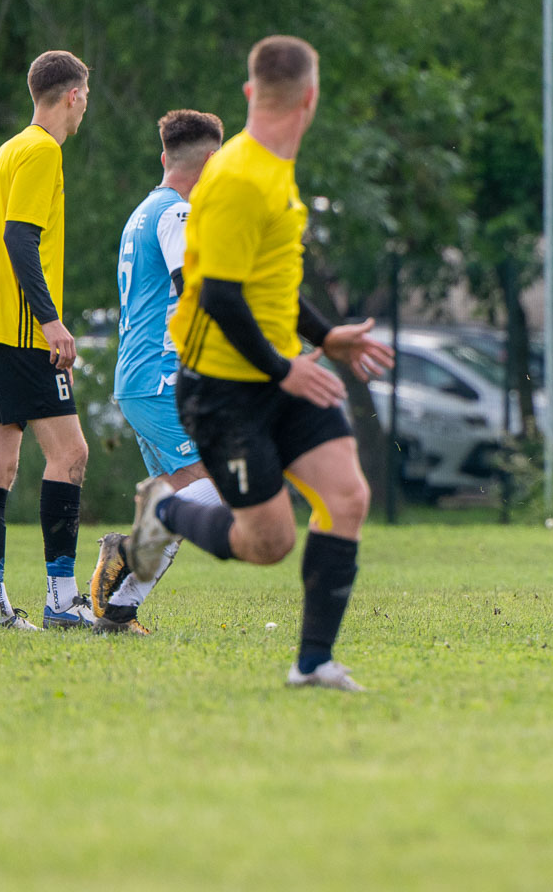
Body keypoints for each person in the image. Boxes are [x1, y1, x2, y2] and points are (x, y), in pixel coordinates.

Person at [124, 35, 393, 690]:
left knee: (347, 497)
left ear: (250, 93)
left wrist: (325, 336)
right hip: (223, 388)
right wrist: (284, 368)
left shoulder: (272, 167)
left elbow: (268, 283)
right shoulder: (239, 176)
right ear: (311, 98)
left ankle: (313, 663)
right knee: (268, 543)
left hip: (276, 373)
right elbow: (218, 295)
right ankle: (164, 510)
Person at [89, 110, 229, 636]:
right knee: (219, 486)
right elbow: (193, 289)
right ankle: (127, 552)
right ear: (211, 161)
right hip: (162, 379)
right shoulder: (178, 214)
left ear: (165, 156)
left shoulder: (143, 212)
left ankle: (119, 613)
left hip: (140, 378)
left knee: (175, 497)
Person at [0, 50, 96, 631]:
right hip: (20, 330)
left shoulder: (7, 150)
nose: (85, 106)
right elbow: (20, 239)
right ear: (72, 95)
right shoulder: (44, 150)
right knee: (71, 455)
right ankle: (63, 600)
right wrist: (50, 322)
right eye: (85, 96)